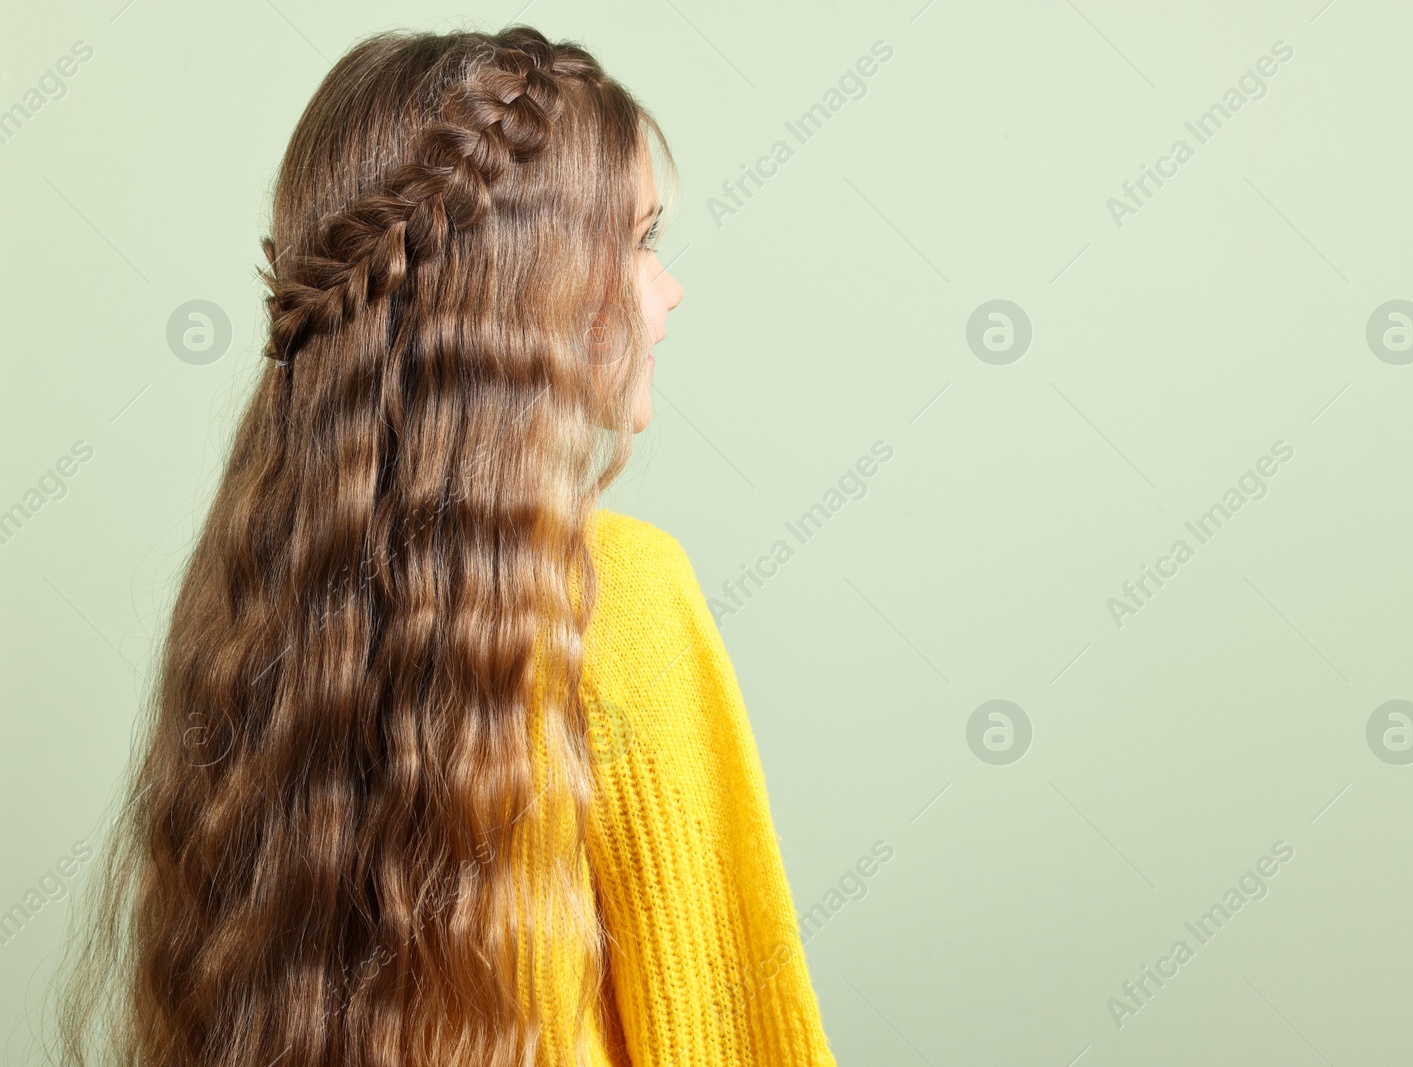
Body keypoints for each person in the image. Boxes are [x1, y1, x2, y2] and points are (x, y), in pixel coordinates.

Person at [48, 25, 838, 1067]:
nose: (667, 291)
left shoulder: (258, 598)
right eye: (641, 242)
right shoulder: (616, 595)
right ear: (536, 283)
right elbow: (733, 1032)